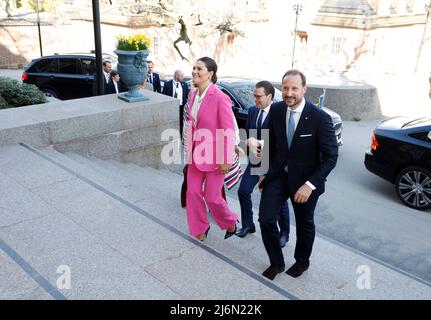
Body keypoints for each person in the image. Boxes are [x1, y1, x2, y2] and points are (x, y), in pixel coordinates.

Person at [257, 69, 338, 280]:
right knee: (265, 218)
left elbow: (331, 157)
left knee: (304, 224)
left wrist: (310, 185)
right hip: (278, 175)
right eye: (285, 88)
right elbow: (267, 142)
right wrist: (261, 172)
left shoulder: (320, 118)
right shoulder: (275, 110)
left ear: (304, 89)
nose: (289, 93)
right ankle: (277, 262)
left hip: (305, 181)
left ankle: (302, 261)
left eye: (294, 88)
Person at [185, 56, 238, 241]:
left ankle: (230, 222)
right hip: (195, 153)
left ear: (210, 73)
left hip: (216, 157)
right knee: (192, 192)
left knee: (212, 197)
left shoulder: (220, 98)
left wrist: (226, 159)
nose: (194, 71)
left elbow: (228, 130)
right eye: (193, 68)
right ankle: (200, 228)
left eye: (199, 68)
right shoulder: (192, 94)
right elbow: (192, 124)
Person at [236, 81, 290, 248]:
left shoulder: (280, 114)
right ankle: (248, 224)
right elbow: (249, 136)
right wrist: (243, 145)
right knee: (243, 191)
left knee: (278, 201)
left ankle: (284, 233)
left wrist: (259, 143)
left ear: (269, 97)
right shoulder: (252, 111)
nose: (255, 99)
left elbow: (283, 143)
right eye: (254, 95)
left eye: (259, 96)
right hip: (255, 162)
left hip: (273, 165)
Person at [162, 70, 189, 137]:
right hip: (171, 107)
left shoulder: (184, 85)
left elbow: (186, 96)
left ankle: (180, 136)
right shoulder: (167, 84)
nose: (183, 77)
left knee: (181, 122)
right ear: (176, 75)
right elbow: (163, 96)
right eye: (181, 76)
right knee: (171, 121)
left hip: (181, 107)